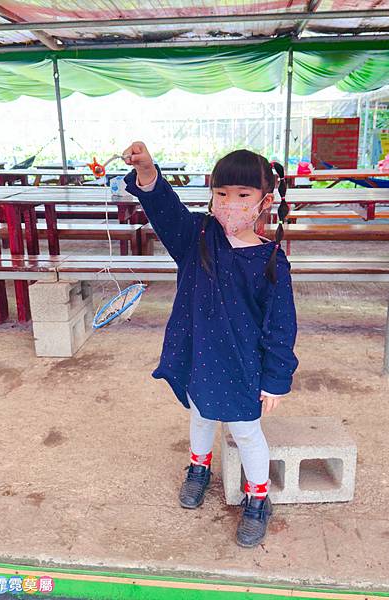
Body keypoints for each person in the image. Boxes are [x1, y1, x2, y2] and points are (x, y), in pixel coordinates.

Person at [123, 142, 299, 548]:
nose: (229, 204)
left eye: (242, 195)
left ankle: (258, 498)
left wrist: (275, 380)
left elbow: (280, 327)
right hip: (198, 353)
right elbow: (165, 212)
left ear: (264, 201)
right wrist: (148, 172)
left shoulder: (271, 260)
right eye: (221, 194)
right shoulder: (197, 237)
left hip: (241, 365)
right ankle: (199, 468)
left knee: (245, 431)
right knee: (200, 414)